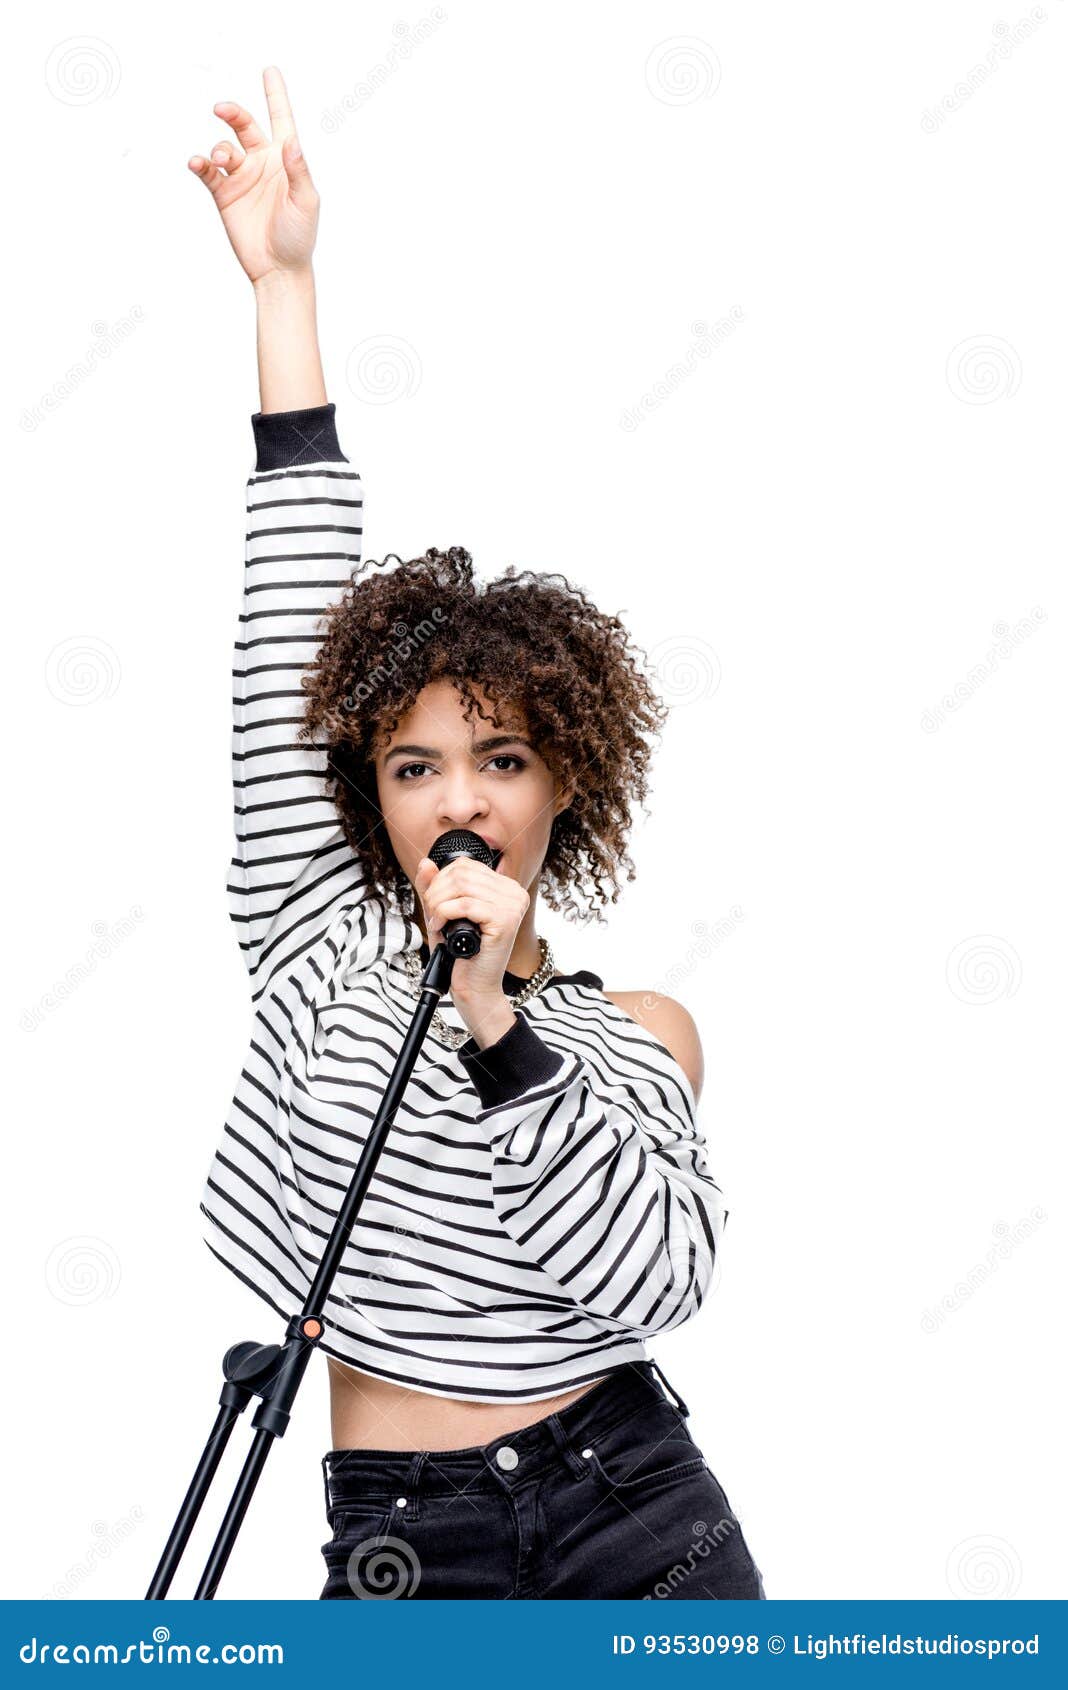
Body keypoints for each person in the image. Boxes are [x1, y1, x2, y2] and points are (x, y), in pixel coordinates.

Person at [188, 65, 765, 1602]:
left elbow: (653, 1278)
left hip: (638, 1521)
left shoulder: (641, 1036)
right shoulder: (320, 949)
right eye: (414, 764)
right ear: (366, 797)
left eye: (500, 758)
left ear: (560, 786)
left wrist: (500, 1022)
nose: (457, 796)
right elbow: (285, 624)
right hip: (399, 1544)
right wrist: (287, 288)